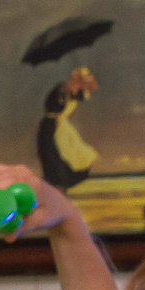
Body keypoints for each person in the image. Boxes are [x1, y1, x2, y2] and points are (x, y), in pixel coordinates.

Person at [33, 65, 98, 194]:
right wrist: (66, 89)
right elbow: (54, 107)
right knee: (54, 158)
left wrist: (79, 86)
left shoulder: (76, 93)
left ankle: (60, 187)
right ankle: (55, 187)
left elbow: (88, 90)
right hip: (51, 127)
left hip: (61, 128)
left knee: (68, 159)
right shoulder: (61, 90)